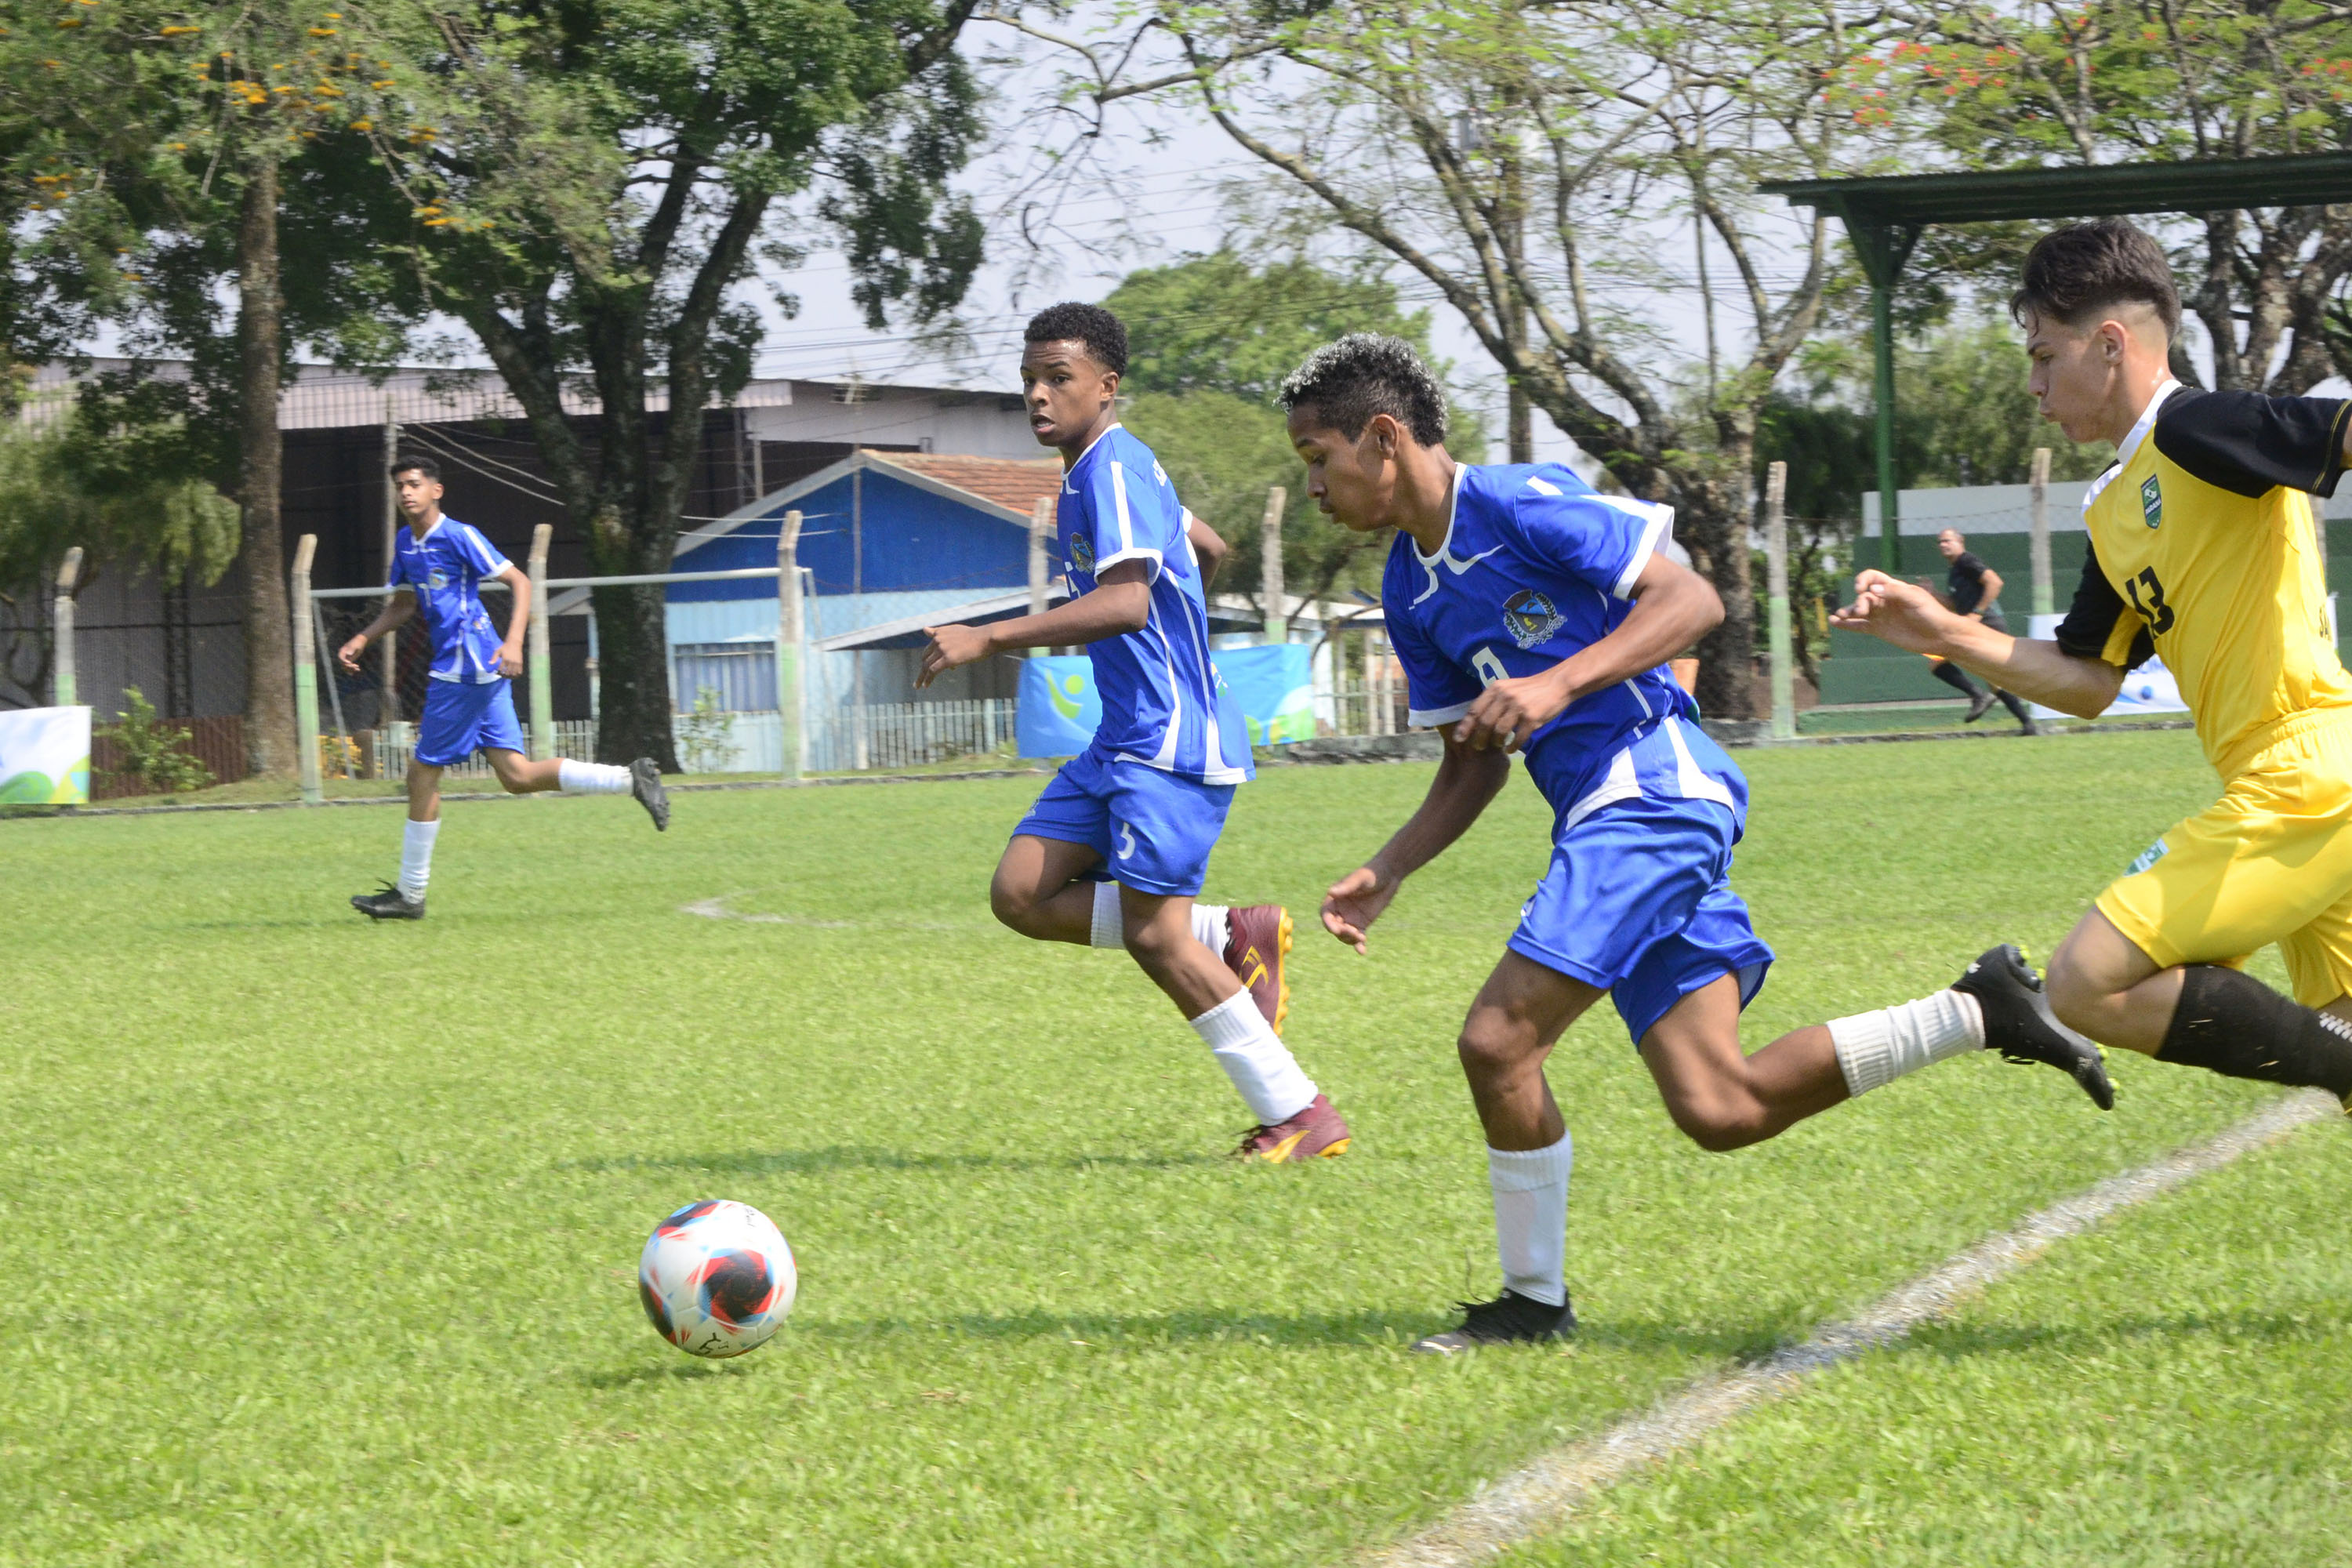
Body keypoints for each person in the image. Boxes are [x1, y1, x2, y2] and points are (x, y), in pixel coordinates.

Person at [1281, 335, 2110, 1353]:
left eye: (1318, 458)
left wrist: (1557, 681)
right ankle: (1978, 1009)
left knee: (1496, 1041)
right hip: (1615, 814)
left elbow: (1692, 603)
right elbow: (1473, 755)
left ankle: (1531, 1307)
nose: (1313, 485)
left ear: (1383, 438)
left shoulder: (1520, 502)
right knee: (1721, 1104)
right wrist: (1392, 866)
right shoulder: (1409, 587)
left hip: (1652, 790)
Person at [1835, 218, 2352, 1114]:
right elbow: (2087, 682)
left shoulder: (2196, 426)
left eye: (2043, 355)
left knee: (2086, 979)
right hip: (2294, 787)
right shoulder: (2113, 501)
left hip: (2305, 773)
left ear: (2110, 345)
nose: (2033, 384)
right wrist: (1944, 629)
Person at [918, 303, 1351, 1163]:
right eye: (1029, 380)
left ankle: (1300, 1112)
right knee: (1021, 893)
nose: (1039, 396)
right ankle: (1226, 933)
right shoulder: (1105, 472)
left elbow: (1126, 600)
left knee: (1154, 934)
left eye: (1059, 379)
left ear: (1106, 387)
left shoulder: (1113, 470)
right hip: (1125, 735)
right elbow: (1210, 545)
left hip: (1170, 741)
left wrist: (988, 635)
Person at [336, 456, 669, 920]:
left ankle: (411, 896)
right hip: (476, 668)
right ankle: (630, 778)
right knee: (516, 777)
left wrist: (514, 641)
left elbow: (520, 582)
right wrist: (363, 637)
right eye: (400, 486)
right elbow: (404, 605)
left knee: (421, 773)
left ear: (437, 490)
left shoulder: (460, 535)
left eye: (414, 484)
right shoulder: (405, 543)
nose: (406, 493)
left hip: (465, 668)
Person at [1920, 528, 2036, 734]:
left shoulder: (1967, 561)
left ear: (1960, 541)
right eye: (1939, 542)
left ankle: (1977, 695)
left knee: (1936, 661)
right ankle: (2028, 725)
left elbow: (1994, 582)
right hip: (1976, 625)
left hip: (1986, 624)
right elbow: (1955, 605)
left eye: (1947, 541)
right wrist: (1933, 593)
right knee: (1995, 681)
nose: (1942, 545)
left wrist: (1977, 613)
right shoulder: (1956, 570)